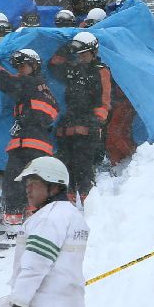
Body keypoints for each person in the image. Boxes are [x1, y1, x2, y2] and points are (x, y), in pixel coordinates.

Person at [6, 156, 89, 307]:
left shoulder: (48, 219)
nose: (28, 188)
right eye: (27, 183)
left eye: (34, 182)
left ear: (53, 185)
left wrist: (19, 303)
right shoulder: (71, 215)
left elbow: (35, 265)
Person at [0, 49, 59, 237]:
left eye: (23, 66)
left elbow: (6, 81)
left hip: (28, 142)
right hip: (39, 142)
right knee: (33, 182)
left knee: (14, 180)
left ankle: (13, 220)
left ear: (34, 66)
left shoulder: (30, 82)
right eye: (17, 67)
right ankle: (32, 215)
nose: (19, 70)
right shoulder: (43, 88)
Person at [48, 31, 111, 203]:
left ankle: (88, 205)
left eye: (84, 54)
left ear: (93, 52)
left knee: (83, 167)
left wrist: (96, 122)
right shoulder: (72, 69)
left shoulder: (101, 71)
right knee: (64, 166)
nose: (81, 57)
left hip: (88, 124)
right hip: (68, 124)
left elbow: (105, 99)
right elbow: (53, 64)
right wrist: (67, 47)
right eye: (79, 54)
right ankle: (66, 204)